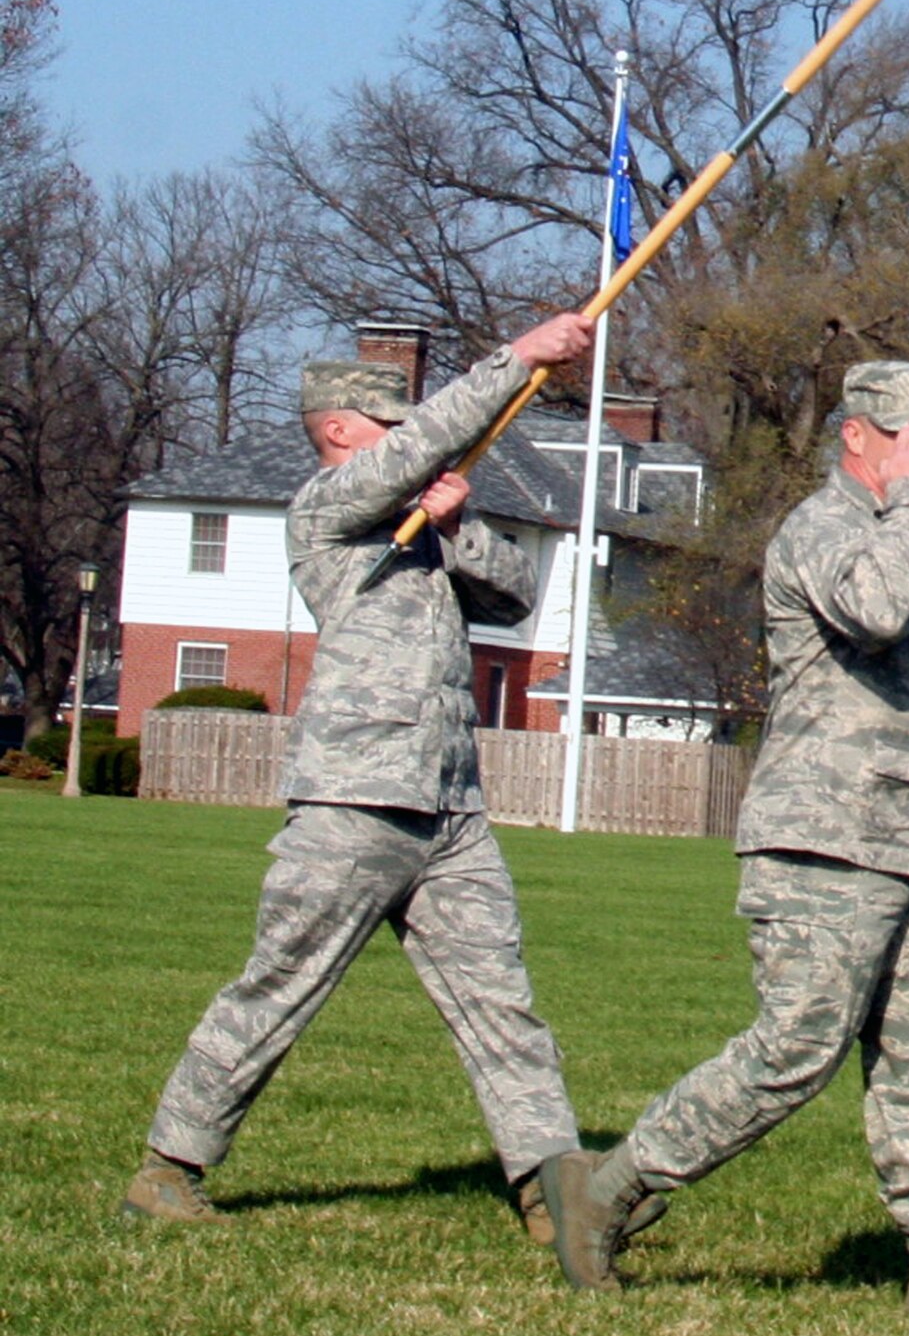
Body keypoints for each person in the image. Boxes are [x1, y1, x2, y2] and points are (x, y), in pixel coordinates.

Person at [540, 361, 909, 1324]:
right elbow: (873, 611)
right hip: (824, 843)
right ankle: (608, 1188)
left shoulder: (906, 533)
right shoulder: (821, 531)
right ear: (854, 437)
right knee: (795, 1051)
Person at [124, 314, 613, 1241]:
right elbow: (427, 443)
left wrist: (460, 524)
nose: (406, 438)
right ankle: (170, 1164)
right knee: (281, 984)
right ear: (343, 431)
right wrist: (520, 358)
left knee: (501, 1000)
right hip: (353, 799)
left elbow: (513, 593)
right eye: (391, 427)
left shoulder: (420, 528)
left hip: (449, 805)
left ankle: (554, 1189)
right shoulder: (328, 509)